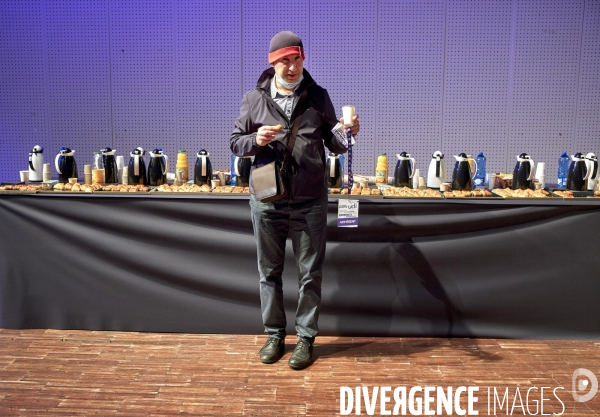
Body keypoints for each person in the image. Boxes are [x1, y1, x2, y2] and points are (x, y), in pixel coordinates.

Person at [230, 31, 360, 370]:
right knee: (269, 272)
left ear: (303, 59)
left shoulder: (318, 96)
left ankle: (305, 338)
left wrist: (349, 132)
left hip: (310, 199)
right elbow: (235, 142)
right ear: (273, 63)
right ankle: (275, 335)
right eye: (285, 61)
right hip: (267, 199)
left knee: (310, 274)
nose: (292, 67)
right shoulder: (254, 99)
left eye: (297, 59)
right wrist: (256, 140)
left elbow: (335, 143)